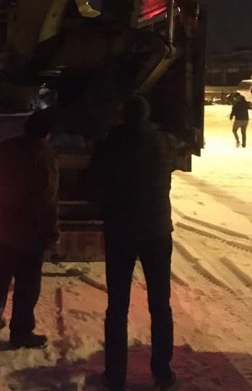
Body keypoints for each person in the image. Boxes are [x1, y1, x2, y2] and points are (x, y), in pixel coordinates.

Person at [88, 95, 178, 391]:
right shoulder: (163, 142)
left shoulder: (111, 144)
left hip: (121, 232)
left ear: (123, 115)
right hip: (157, 231)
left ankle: (115, 376)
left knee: (117, 306)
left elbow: (94, 181)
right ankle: (163, 374)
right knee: (160, 305)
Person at [0, 107, 59, 349]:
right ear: (47, 133)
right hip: (31, 229)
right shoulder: (44, 156)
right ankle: (21, 332)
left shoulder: (4, 148)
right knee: (27, 283)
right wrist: (52, 232)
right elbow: (47, 198)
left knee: (0, 273)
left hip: (5, 223)